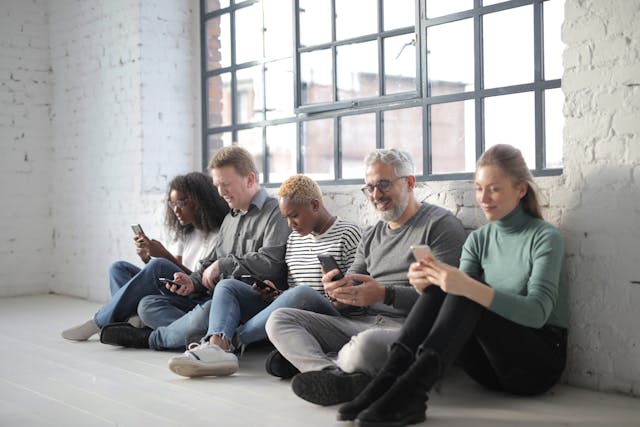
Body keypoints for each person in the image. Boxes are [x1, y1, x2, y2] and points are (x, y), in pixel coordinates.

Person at [337, 144, 568, 427]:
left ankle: (411, 392)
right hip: (488, 369)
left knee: (466, 286)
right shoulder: (478, 239)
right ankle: (388, 380)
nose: (483, 198)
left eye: (494, 189)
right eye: (478, 188)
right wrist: (427, 285)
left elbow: (537, 313)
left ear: (520, 189)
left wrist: (466, 286)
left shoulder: (544, 237)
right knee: (445, 285)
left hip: (535, 366)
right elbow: (454, 308)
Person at [265, 148, 468, 406]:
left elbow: (448, 301)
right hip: (364, 322)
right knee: (279, 319)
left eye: (383, 184)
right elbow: (351, 286)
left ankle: (319, 362)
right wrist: (338, 291)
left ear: (409, 182)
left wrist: (386, 294)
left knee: (364, 345)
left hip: (409, 329)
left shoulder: (439, 226)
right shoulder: (371, 235)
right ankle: (333, 375)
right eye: (369, 187)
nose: (375, 195)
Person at [98, 145, 291, 354]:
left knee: (209, 308)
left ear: (250, 179)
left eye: (226, 184)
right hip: (214, 298)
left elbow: (270, 264)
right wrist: (192, 282)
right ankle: (210, 335)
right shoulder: (230, 218)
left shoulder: (276, 213)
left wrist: (222, 265)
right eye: (217, 185)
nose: (220, 192)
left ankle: (153, 338)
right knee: (148, 304)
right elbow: (208, 263)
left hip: (252, 300)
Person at [166, 174, 363, 377]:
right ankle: (217, 344)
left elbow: (358, 299)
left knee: (302, 293)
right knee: (228, 285)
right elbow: (291, 291)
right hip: (291, 312)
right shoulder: (295, 239)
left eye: (294, 216)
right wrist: (277, 293)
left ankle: (230, 342)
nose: (290, 225)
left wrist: (335, 295)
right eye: (285, 217)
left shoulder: (349, 234)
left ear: (314, 205)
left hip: (330, 317)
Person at [61, 172, 229, 341]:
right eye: (172, 204)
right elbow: (176, 272)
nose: (176, 210)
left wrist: (162, 256)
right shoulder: (187, 234)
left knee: (158, 270)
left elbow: (197, 281)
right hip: (177, 290)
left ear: (201, 201)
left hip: (198, 297)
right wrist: (147, 259)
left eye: (181, 203)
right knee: (118, 268)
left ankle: (99, 322)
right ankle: (131, 321)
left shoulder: (220, 235)